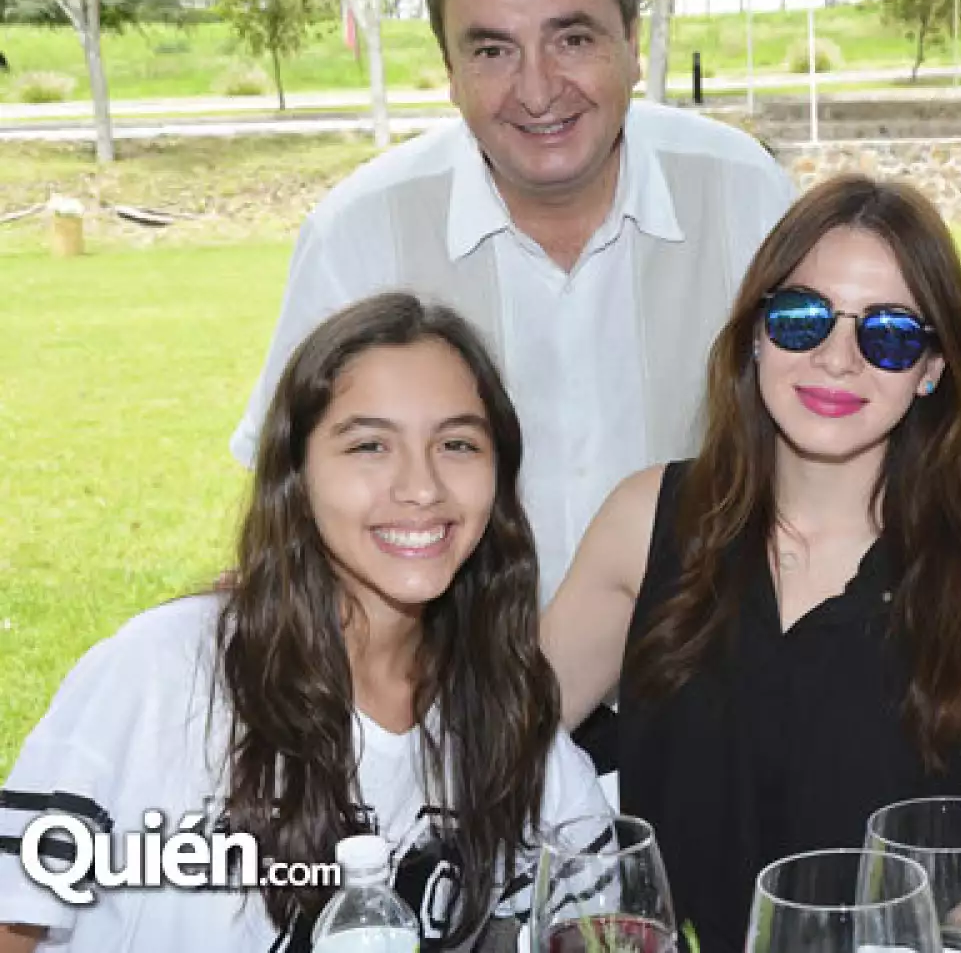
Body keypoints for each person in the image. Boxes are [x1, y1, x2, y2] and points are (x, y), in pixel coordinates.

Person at [231, 0, 794, 599]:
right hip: (452, 696)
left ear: (630, 39)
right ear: (449, 70)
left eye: (572, 39)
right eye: (492, 50)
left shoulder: (744, 196)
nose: (536, 90)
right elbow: (289, 506)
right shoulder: (359, 235)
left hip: (703, 687)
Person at [541, 175, 961, 951]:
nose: (837, 358)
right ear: (755, 333)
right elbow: (497, 750)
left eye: (888, 334)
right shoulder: (645, 520)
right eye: (801, 318)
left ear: (932, 368)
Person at [0, 293, 608, 952]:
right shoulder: (163, 674)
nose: (422, 485)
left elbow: (605, 918)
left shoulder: (504, 713)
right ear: (298, 473)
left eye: (458, 443)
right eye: (370, 444)